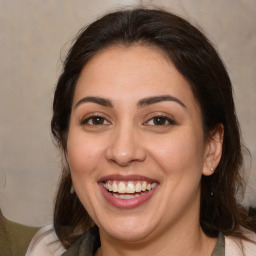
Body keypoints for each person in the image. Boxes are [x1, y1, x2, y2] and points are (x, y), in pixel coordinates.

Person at [26, 8, 256, 256]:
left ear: (211, 148)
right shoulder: (42, 250)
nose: (123, 152)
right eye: (96, 119)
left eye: (159, 120)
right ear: (66, 142)